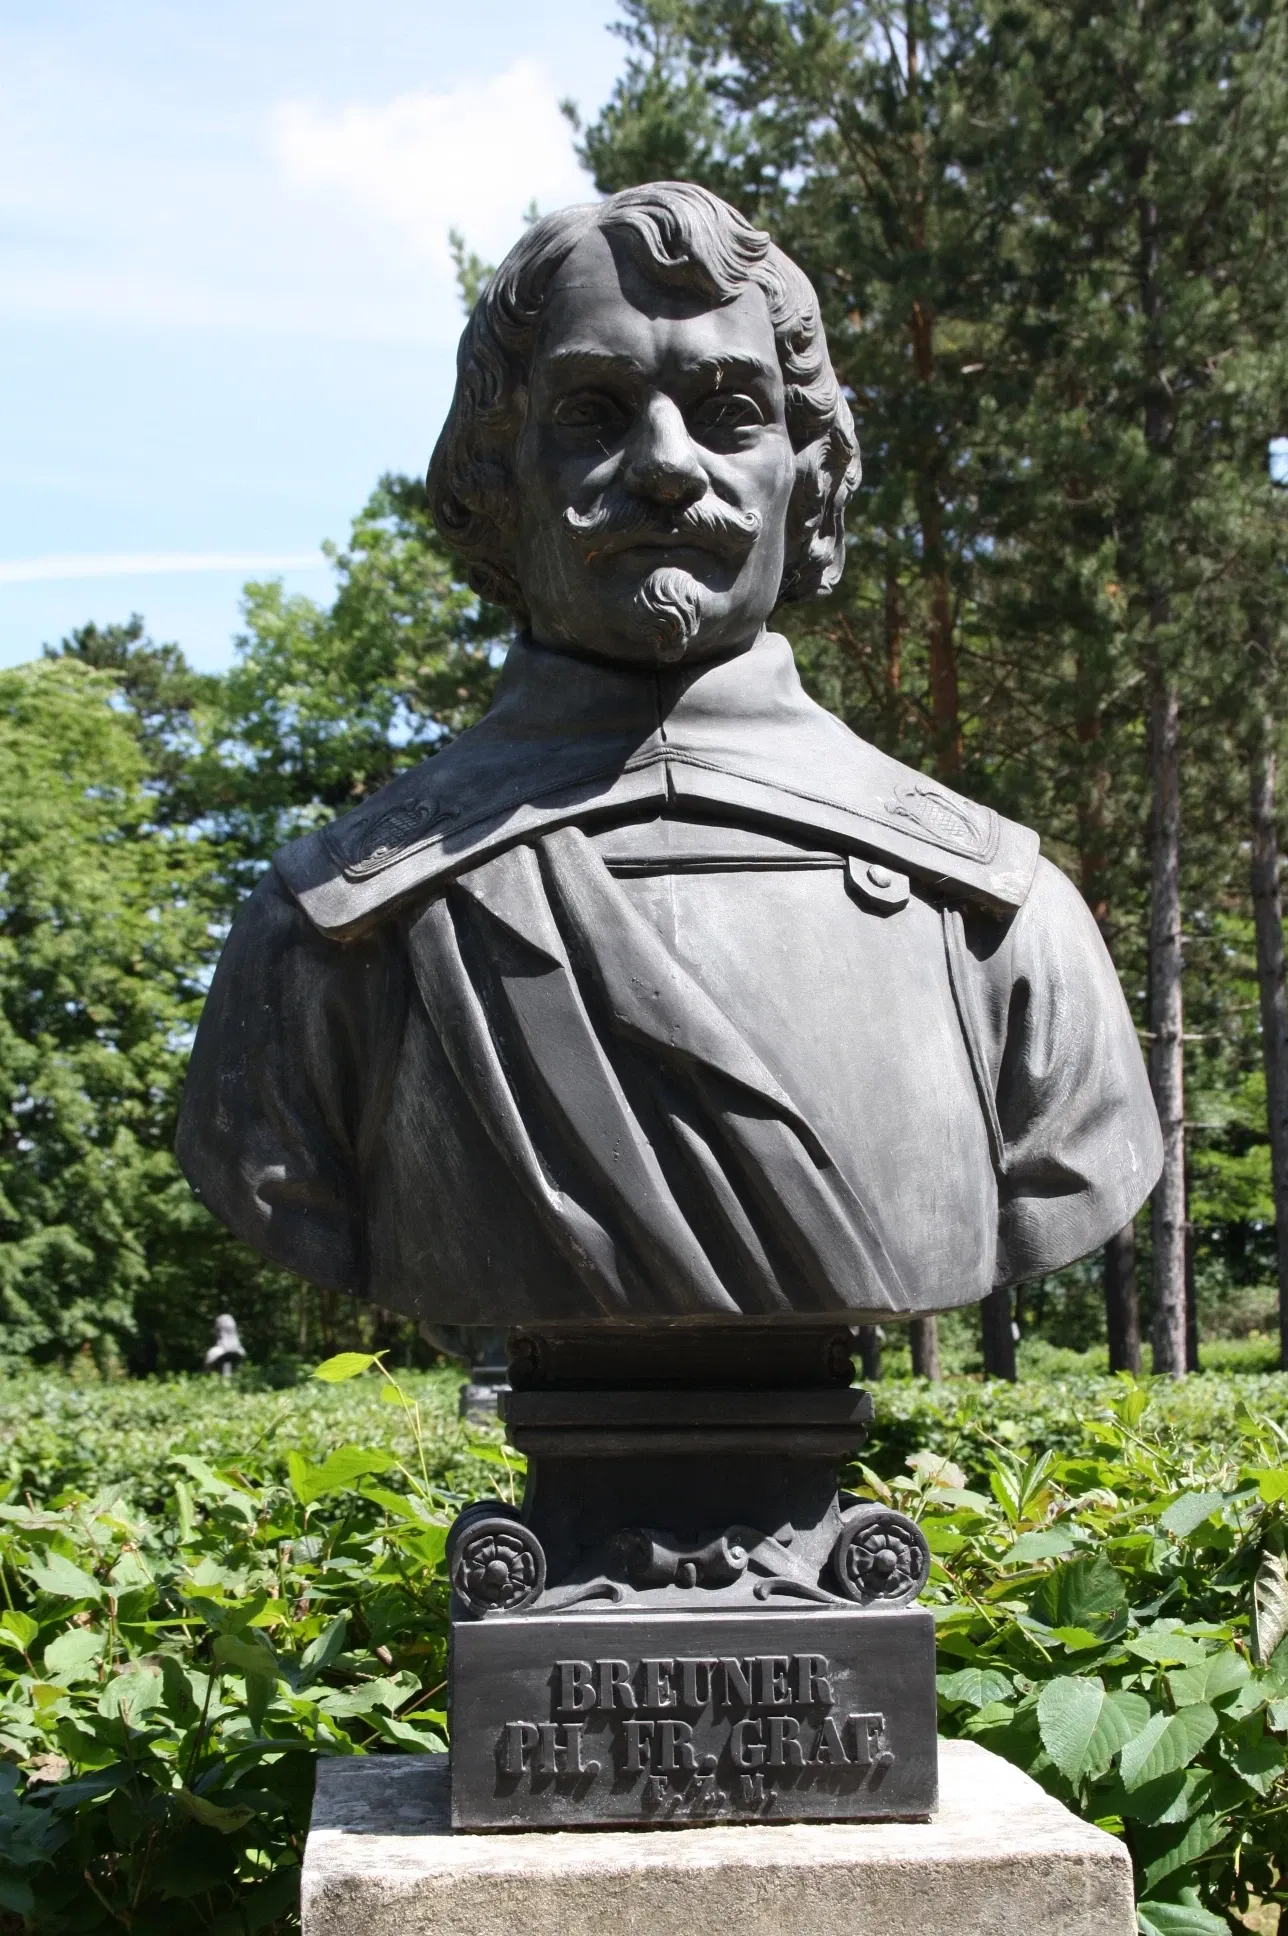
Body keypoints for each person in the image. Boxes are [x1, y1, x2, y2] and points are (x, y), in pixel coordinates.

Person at [177, 181, 1161, 1330]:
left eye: (729, 411)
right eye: (591, 414)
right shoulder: (327, 934)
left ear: (810, 475)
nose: (663, 465)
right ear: (496, 478)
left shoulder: (995, 920)